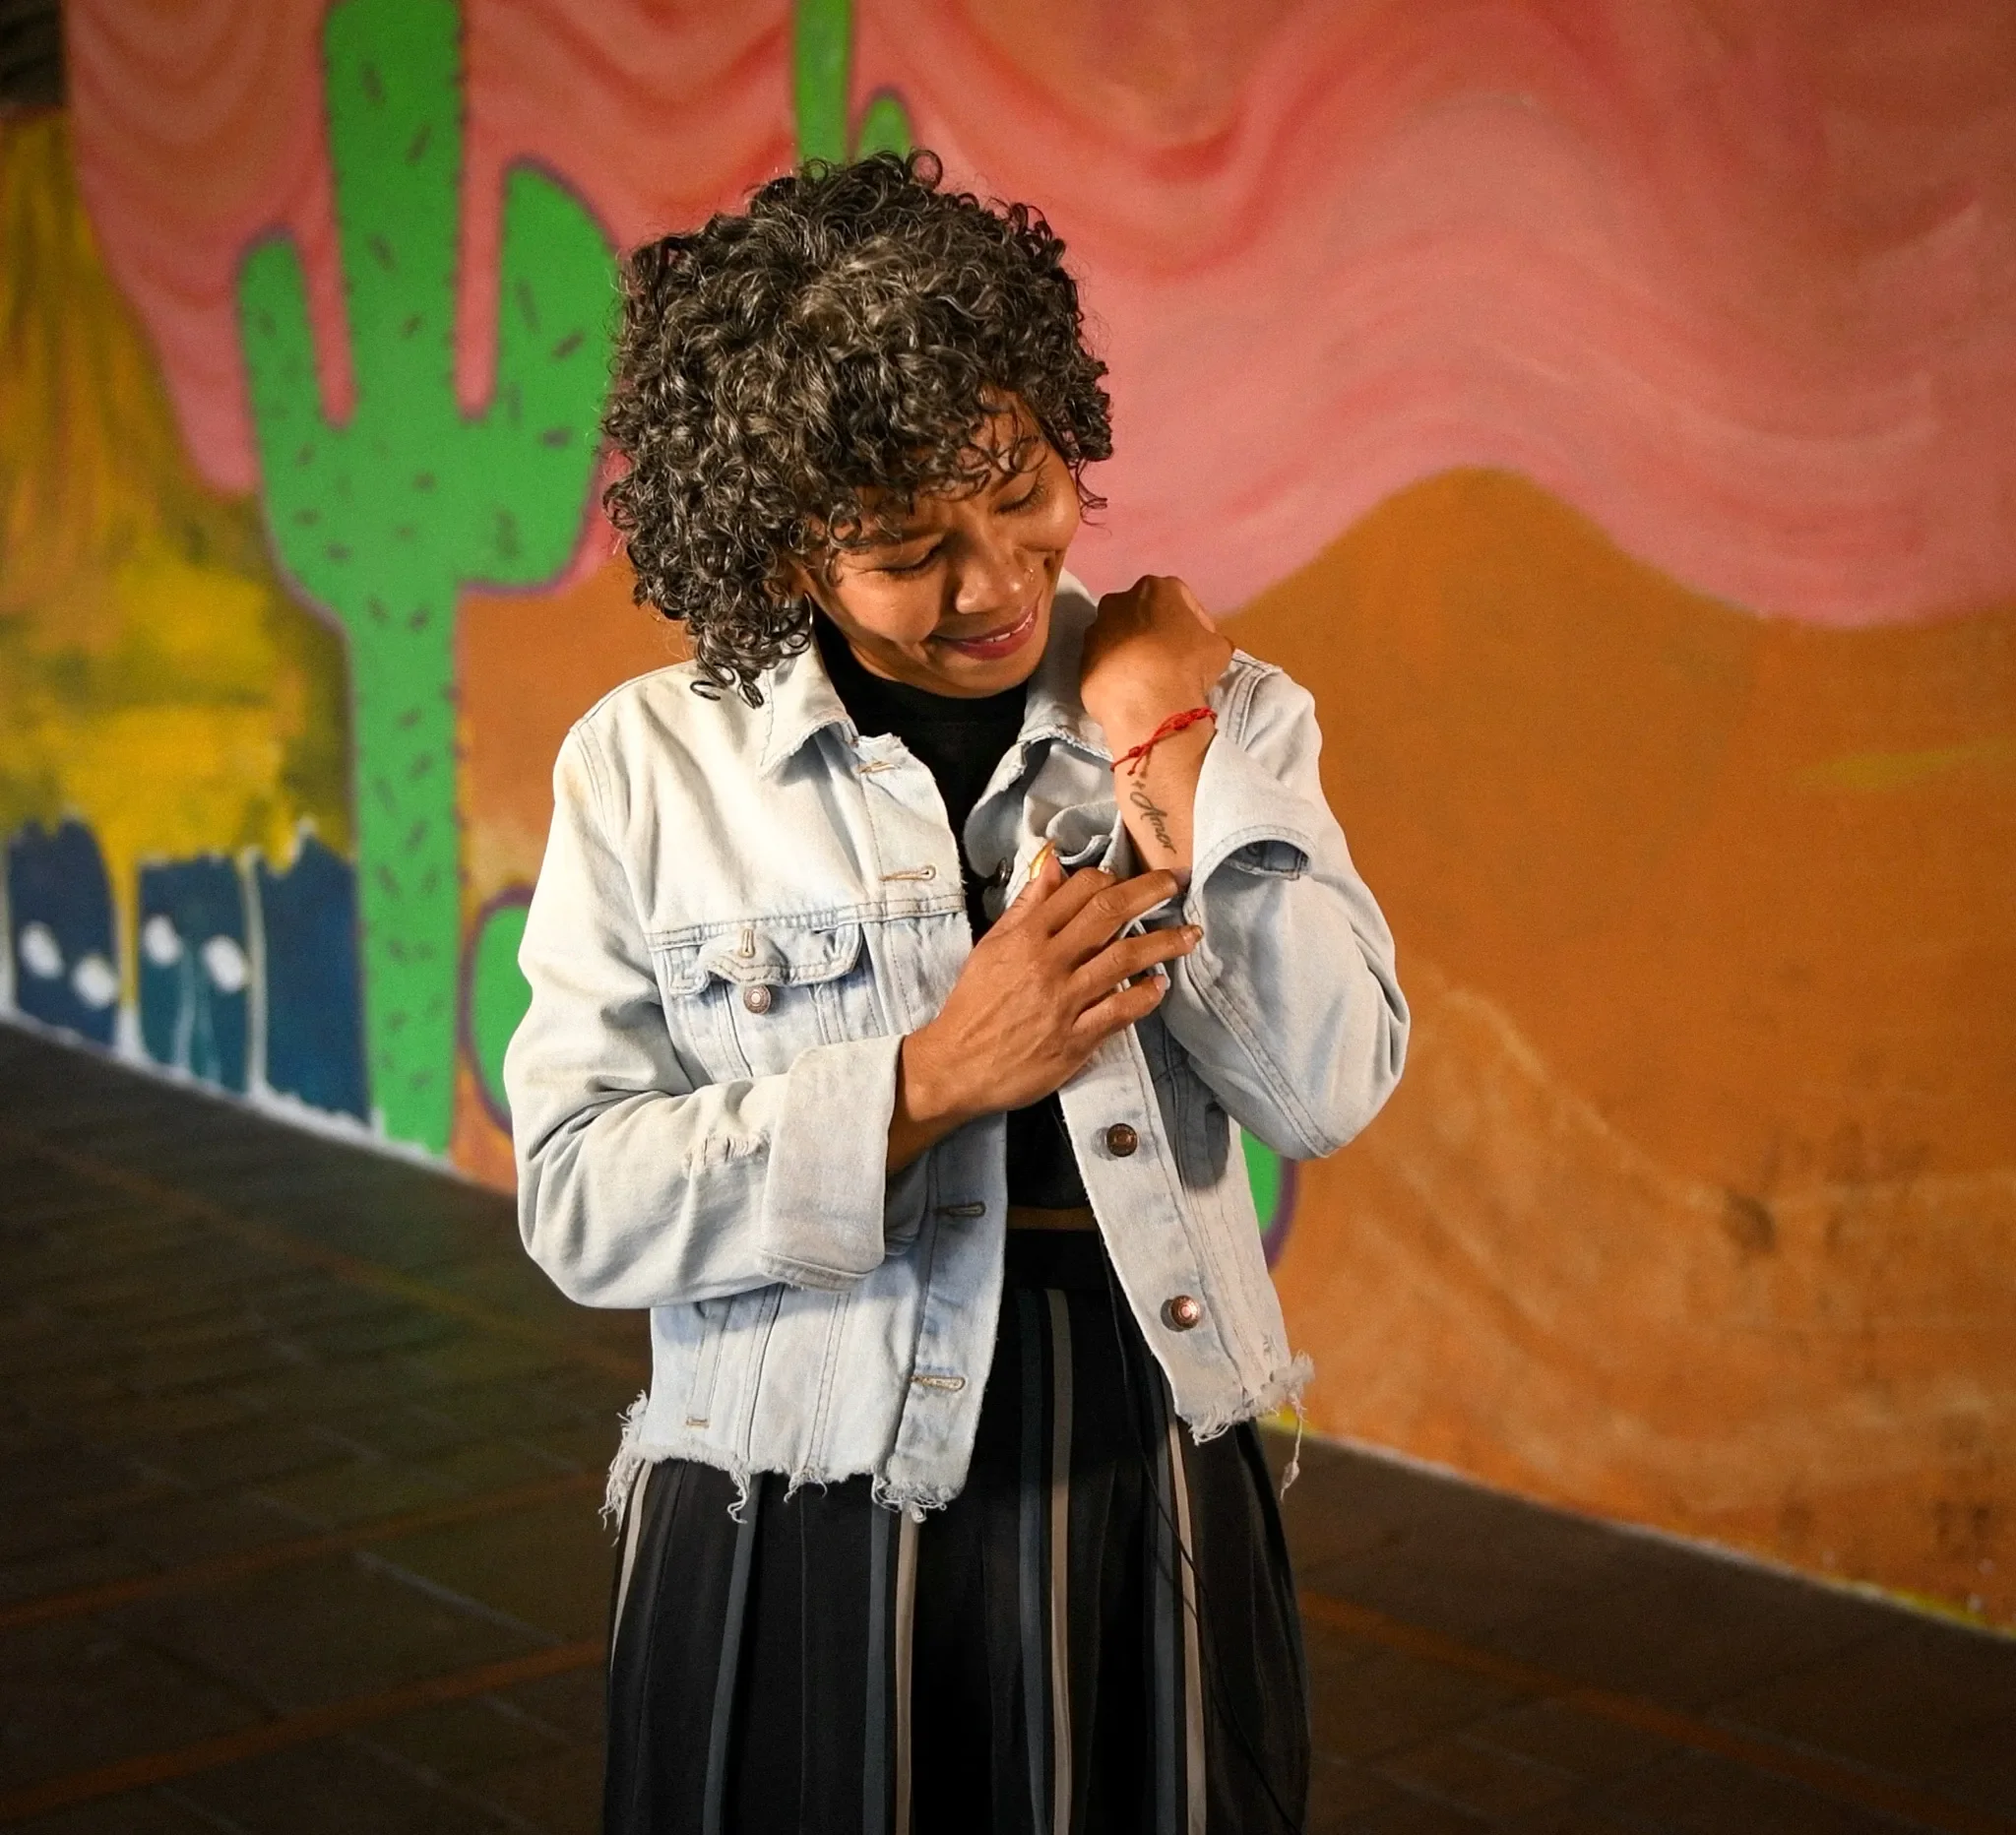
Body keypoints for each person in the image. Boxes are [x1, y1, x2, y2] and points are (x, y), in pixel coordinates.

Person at [504, 151, 1408, 1835]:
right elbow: (576, 1202)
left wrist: (1171, 757)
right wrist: (919, 1084)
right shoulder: (642, 770)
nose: (995, 582)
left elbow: (1328, 1088)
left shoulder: (1220, 714)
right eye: (910, 545)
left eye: (1023, 490)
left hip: (1142, 1462)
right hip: (793, 1489)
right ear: (783, 553)